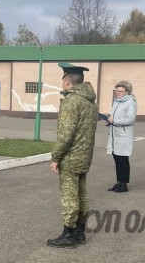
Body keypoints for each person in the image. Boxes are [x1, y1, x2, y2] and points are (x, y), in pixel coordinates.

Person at [47, 62, 98, 249]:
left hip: (70, 157)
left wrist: (55, 157)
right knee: (82, 194)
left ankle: (68, 234)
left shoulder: (71, 102)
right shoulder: (90, 102)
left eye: (63, 80)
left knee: (69, 196)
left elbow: (66, 135)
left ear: (67, 82)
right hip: (85, 156)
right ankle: (80, 232)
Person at [105, 80, 137, 193]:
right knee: (117, 159)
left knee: (123, 160)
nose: (118, 93)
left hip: (123, 135)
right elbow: (114, 117)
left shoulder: (130, 102)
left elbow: (131, 119)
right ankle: (119, 182)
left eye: (120, 91)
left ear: (127, 91)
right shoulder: (116, 101)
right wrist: (109, 121)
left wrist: (115, 121)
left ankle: (124, 185)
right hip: (115, 135)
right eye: (117, 90)